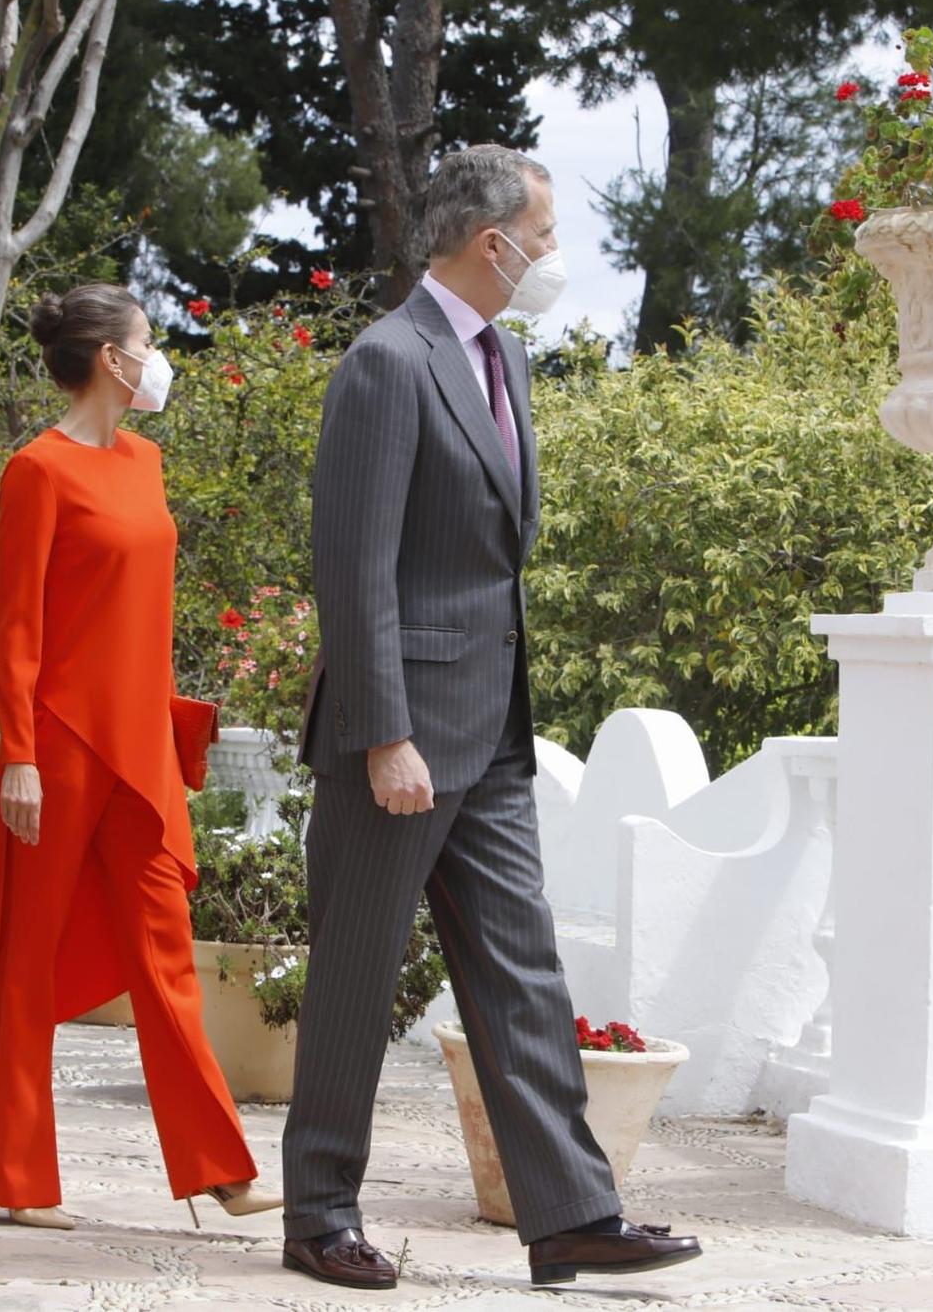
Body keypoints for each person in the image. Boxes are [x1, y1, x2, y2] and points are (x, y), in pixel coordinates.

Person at [282, 145, 702, 1290]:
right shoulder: (384, 362)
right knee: (357, 975)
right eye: (548, 237)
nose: (554, 258)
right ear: (490, 241)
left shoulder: (502, 359)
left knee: (525, 974)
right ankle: (318, 1213)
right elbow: (355, 566)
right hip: (401, 735)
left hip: (491, 731)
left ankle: (568, 1212)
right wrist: (383, 732)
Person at [0, 283, 279, 1233]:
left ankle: (220, 1166)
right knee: (25, 964)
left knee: (167, 955)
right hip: (58, 751)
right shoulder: (35, 469)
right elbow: (18, 628)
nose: (157, 356)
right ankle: (19, 1179)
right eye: (147, 341)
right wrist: (17, 754)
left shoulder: (145, 462)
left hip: (140, 750)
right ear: (111, 357)